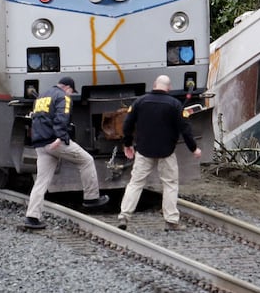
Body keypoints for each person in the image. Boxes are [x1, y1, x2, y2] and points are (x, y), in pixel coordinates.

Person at [118, 75, 202, 231]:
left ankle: (124, 216)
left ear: (154, 84)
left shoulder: (140, 102)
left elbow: (127, 124)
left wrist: (128, 144)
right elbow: (185, 128)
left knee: (136, 183)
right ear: (169, 88)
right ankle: (170, 221)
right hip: (166, 151)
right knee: (170, 184)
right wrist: (193, 148)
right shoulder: (175, 105)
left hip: (144, 150)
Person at [24, 75, 106, 229]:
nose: (70, 94)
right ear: (67, 88)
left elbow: (37, 118)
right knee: (86, 160)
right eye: (71, 92)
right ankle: (91, 198)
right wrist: (61, 137)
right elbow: (62, 117)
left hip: (40, 144)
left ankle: (32, 217)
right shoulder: (63, 97)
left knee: (41, 181)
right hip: (55, 142)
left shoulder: (42, 96)